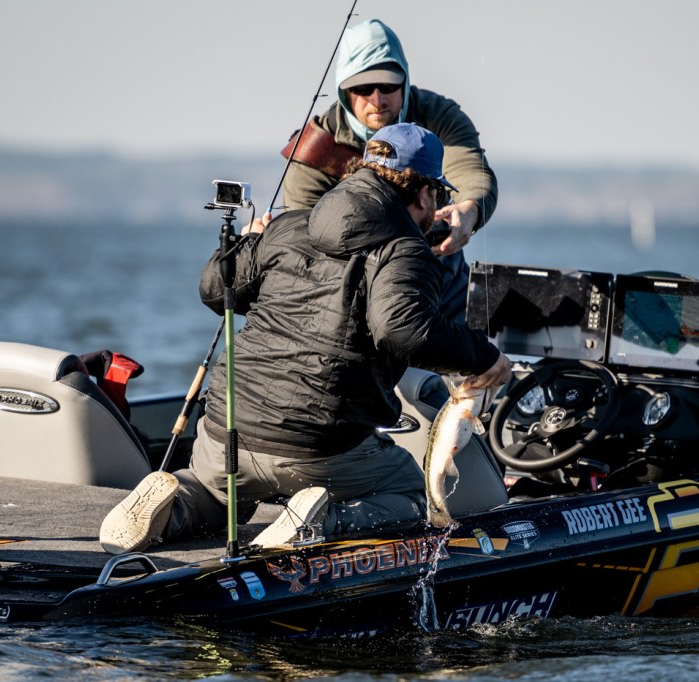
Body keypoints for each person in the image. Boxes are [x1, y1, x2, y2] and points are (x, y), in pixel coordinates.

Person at [99, 123, 511, 555]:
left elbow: (215, 289)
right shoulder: (406, 251)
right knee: (411, 496)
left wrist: (250, 241)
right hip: (320, 447)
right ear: (425, 194)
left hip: (226, 432)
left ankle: (177, 501)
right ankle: (318, 523)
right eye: (439, 195)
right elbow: (401, 328)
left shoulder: (290, 224)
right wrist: (484, 357)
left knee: (218, 492)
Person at [278, 18, 497, 322]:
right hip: (348, 299)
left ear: (404, 80)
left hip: (441, 286)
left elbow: (470, 170)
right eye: (363, 88)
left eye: (388, 85)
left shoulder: (439, 116)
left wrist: (469, 211)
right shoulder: (316, 149)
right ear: (344, 91)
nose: (377, 100)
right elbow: (299, 239)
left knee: (478, 349)